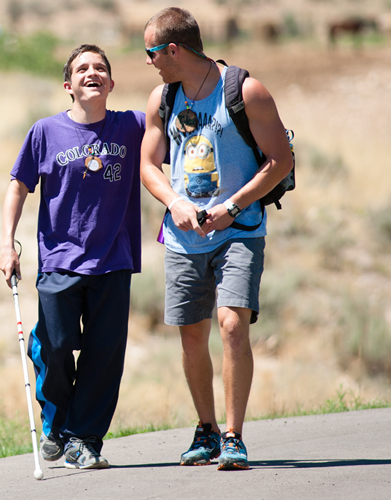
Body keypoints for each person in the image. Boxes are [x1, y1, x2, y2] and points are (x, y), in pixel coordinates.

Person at [139, 7, 293, 470]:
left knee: (231, 325)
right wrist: (175, 203)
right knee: (191, 335)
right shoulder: (162, 98)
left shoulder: (246, 91)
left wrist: (234, 206)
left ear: (172, 50)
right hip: (183, 238)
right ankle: (205, 429)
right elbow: (149, 165)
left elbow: (280, 160)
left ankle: (233, 435)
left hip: (239, 231)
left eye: (151, 52)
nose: (148, 61)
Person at [0, 44, 145, 470]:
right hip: (59, 260)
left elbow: (174, 126)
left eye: (100, 68)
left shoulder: (132, 126)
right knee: (56, 344)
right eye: (82, 68)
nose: (91, 73)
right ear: (68, 85)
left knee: (104, 355)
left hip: (114, 260)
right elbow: (18, 186)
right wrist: (7, 243)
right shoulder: (45, 132)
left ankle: (83, 439)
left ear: (112, 83)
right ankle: (57, 421)